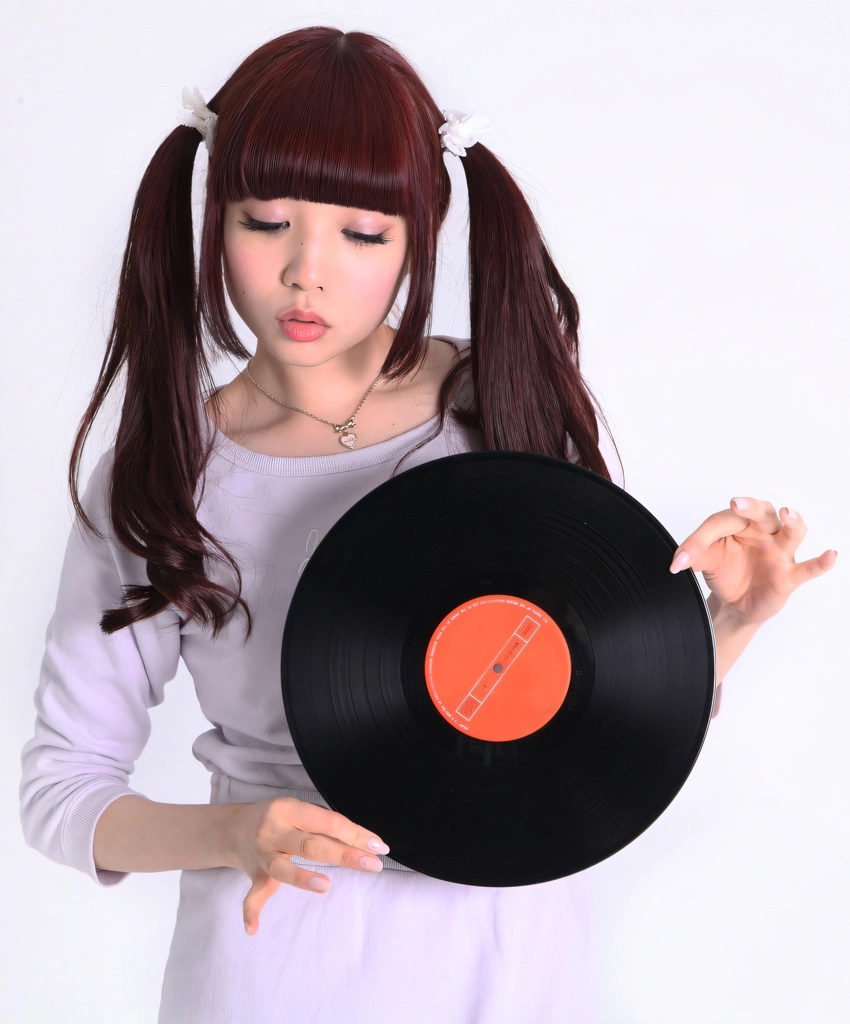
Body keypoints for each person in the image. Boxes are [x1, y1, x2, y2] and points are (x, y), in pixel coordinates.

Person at [18, 26, 837, 1024]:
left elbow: (593, 708)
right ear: (210, 218)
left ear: (420, 233)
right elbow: (64, 791)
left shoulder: (508, 403)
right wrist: (233, 833)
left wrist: (728, 622)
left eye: (363, 234)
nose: (305, 273)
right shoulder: (161, 476)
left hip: (512, 961)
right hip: (275, 966)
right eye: (266, 221)